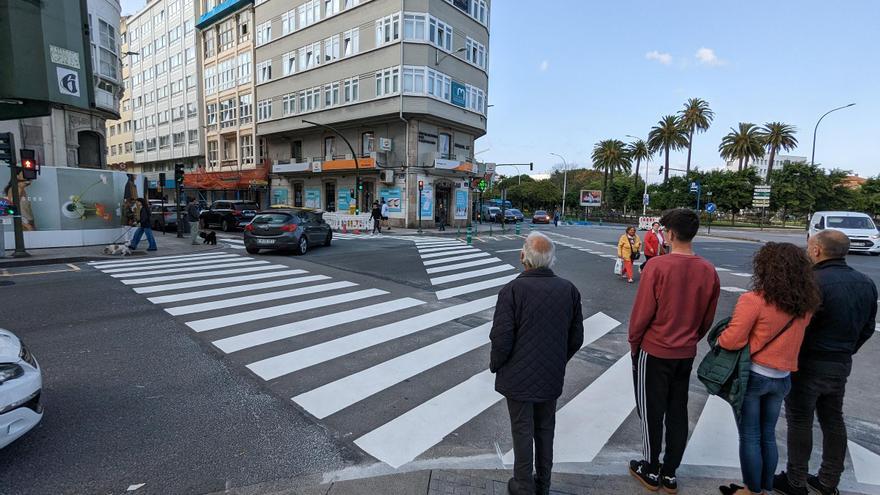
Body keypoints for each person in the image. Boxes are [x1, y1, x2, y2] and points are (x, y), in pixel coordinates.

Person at [774, 230, 877, 495]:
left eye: (809, 247)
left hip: (808, 362)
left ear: (818, 250)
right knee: (833, 420)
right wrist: (847, 349)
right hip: (840, 362)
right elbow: (867, 327)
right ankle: (829, 481)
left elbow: (797, 325)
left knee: (800, 420)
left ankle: (795, 480)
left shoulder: (812, 282)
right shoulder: (866, 282)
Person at [628, 208, 720, 493]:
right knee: (677, 411)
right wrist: (690, 338)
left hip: (654, 350)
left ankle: (650, 466)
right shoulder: (708, 270)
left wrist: (634, 345)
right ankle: (670, 472)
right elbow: (707, 318)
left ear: (669, 234)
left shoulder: (657, 267)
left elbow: (642, 315)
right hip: (685, 352)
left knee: (650, 411)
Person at [716, 243, 820, 495]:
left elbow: (733, 340)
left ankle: (751, 490)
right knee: (767, 435)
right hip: (783, 377)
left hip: (753, 375)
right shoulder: (806, 305)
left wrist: (720, 336)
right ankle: (764, 487)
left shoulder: (754, 301)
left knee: (749, 436)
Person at [490, 232, 584, 495]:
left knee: (522, 429)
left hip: (517, 376)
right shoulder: (569, 290)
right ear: (552, 260)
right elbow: (576, 337)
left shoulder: (512, 291)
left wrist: (497, 364)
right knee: (545, 429)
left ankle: (522, 484)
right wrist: (556, 360)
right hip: (551, 374)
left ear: (524, 258)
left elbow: (501, 338)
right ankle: (543, 483)